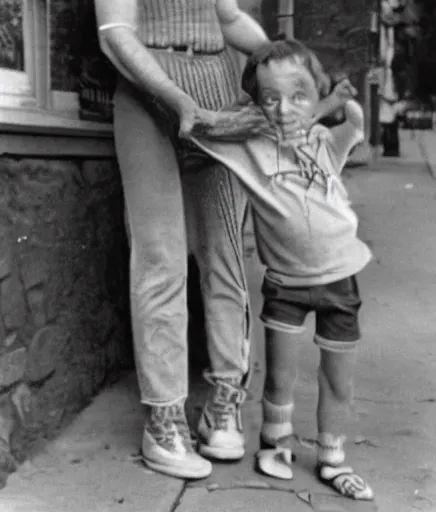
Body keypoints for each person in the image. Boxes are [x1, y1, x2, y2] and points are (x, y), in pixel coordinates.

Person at [93, 0, 277, 479]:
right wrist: (176, 99)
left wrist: (282, 61)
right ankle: (164, 420)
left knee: (226, 256)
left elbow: (228, 16)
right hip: (146, 95)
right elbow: (114, 31)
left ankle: (224, 403)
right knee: (160, 256)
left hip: (217, 93)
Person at [189, 39, 374, 500]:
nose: (284, 108)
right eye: (270, 98)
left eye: (298, 95)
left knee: (337, 378)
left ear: (316, 95)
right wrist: (247, 112)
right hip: (286, 286)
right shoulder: (249, 148)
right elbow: (193, 130)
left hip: (340, 281)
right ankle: (274, 444)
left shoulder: (325, 143)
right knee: (281, 376)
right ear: (258, 103)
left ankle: (332, 458)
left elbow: (355, 121)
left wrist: (327, 106)